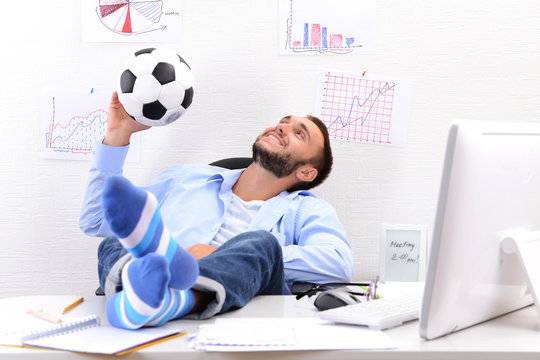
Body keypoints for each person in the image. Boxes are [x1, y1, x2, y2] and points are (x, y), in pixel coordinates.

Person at [79, 92, 353, 329]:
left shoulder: (306, 209)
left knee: (263, 245)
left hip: (238, 315)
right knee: (116, 241)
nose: (282, 127)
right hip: (151, 298)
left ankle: (159, 299)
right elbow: (97, 220)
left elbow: (338, 263)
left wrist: (222, 254)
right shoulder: (183, 178)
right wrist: (118, 134)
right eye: (284, 122)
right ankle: (149, 292)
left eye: (298, 133)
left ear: (306, 171)